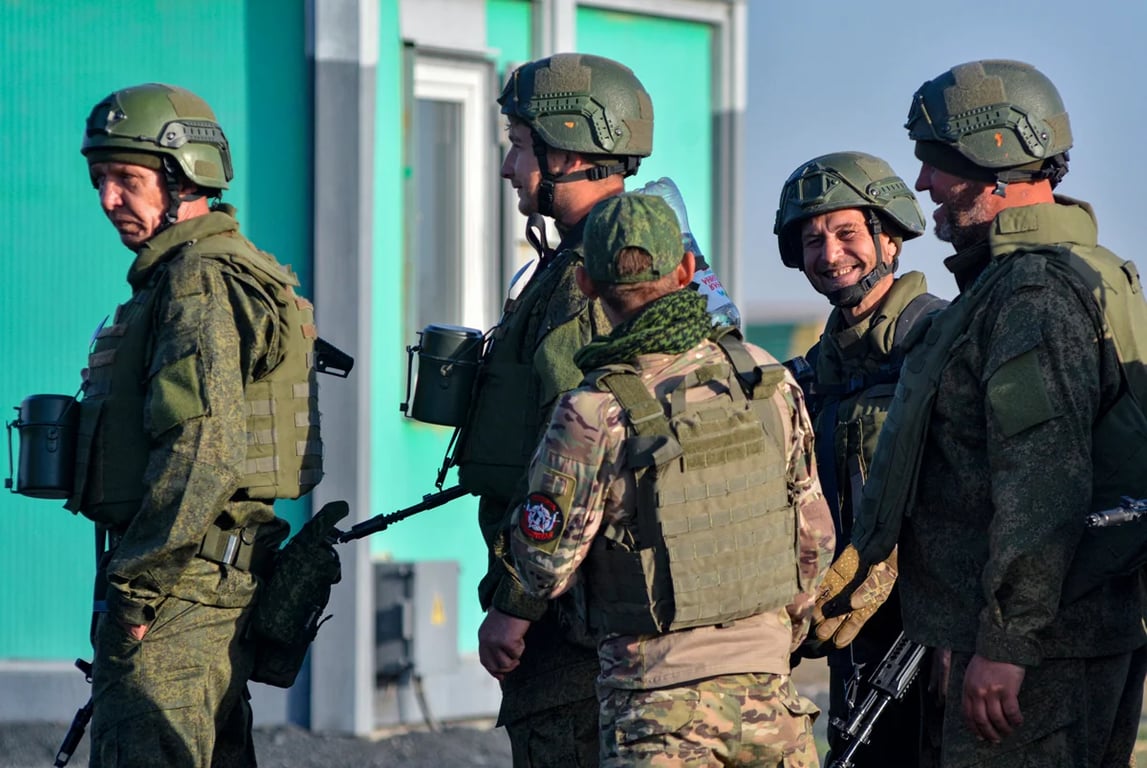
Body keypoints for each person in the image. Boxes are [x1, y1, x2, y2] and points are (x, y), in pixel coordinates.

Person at [820, 59, 1147, 767]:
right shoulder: (1061, 273)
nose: (923, 185)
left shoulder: (1030, 294)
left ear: (991, 161)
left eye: (936, 163)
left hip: (1042, 658)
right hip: (1056, 637)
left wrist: (1005, 645)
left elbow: (1041, 483)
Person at [510, 193, 834, 766]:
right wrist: (773, 636)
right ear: (685, 270)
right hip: (771, 702)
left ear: (586, 284)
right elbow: (815, 539)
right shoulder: (764, 377)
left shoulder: (593, 410)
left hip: (657, 711)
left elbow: (543, 567)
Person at [74, 83, 322, 766]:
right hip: (200, 581)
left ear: (186, 178)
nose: (108, 199)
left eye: (127, 179)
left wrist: (136, 591)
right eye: (99, 180)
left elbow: (201, 452)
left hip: (177, 587)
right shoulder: (198, 273)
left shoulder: (198, 281)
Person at [454, 52, 653, 767]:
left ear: (567, 152)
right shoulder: (588, 263)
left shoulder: (584, 281)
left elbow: (574, 461)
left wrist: (517, 603)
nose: (510, 168)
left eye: (518, 146)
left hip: (572, 625)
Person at [774, 151, 944, 765]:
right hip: (853, 634)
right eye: (812, 240)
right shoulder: (814, 374)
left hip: (939, 635)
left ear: (890, 238)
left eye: (847, 233)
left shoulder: (942, 341)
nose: (830, 254)